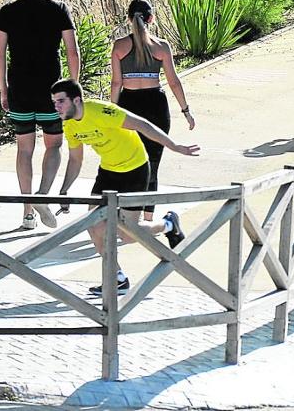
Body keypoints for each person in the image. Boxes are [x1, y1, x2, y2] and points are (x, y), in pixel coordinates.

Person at [52, 79, 199, 296]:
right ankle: (117, 278)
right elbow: (75, 160)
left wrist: (175, 146)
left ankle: (168, 224)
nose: (57, 106)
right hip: (108, 173)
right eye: (54, 102)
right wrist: (64, 191)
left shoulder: (101, 111)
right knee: (94, 225)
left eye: (61, 101)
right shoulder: (69, 124)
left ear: (76, 100)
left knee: (128, 235)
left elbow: (142, 124)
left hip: (135, 168)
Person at [0, 0, 80, 231]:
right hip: (51, 91)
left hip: (19, 87)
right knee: (53, 145)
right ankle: (43, 193)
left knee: (24, 149)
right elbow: (72, 52)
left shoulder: (7, 12)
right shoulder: (58, 10)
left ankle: (28, 213)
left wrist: (3, 89)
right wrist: (73, 89)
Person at [109, 0, 195, 221]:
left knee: (129, 161)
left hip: (129, 105)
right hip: (156, 106)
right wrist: (186, 111)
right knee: (153, 164)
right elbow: (174, 82)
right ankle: (147, 219)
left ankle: (128, 215)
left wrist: (111, 112)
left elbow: (116, 83)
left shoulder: (119, 46)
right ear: (151, 19)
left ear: (129, 19)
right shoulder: (162, 46)